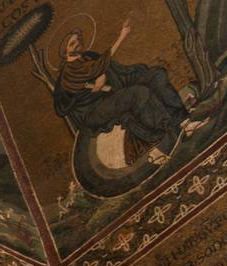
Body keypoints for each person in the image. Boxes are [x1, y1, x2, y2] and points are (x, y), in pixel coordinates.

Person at [48, 20, 202, 172]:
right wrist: (121, 38)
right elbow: (95, 69)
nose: (77, 44)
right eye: (72, 43)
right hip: (95, 110)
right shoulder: (67, 73)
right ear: (65, 51)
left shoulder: (89, 57)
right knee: (139, 93)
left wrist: (112, 76)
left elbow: (114, 71)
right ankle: (170, 129)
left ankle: (184, 122)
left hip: (113, 93)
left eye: (78, 40)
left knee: (156, 75)